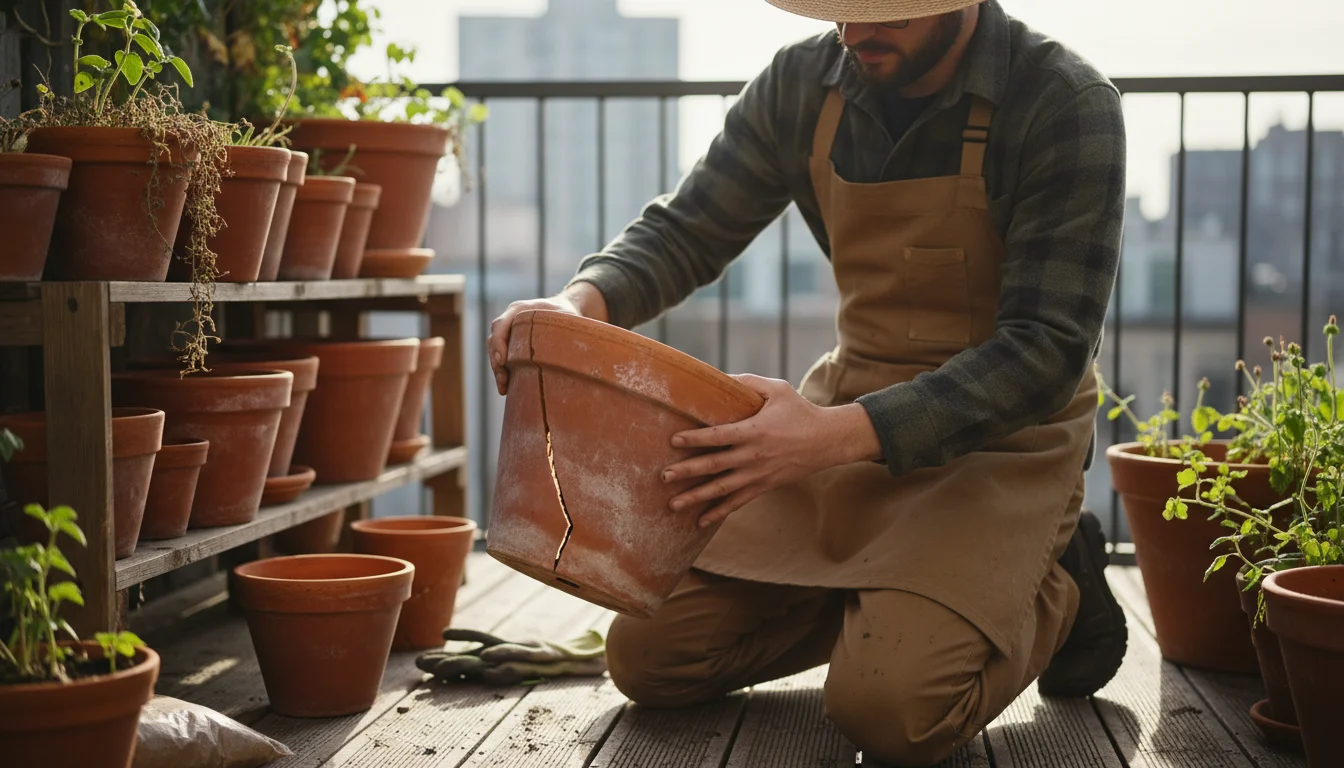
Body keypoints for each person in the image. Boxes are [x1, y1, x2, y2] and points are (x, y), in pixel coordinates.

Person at [486, 0, 1128, 763]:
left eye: (884, 15)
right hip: (843, 415)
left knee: (891, 715)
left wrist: (830, 438)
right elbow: (688, 228)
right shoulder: (804, 83)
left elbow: (1044, 352)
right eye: (840, 13)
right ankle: (891, 604)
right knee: (648, 659)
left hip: (1001, 442)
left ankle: (1056, 578)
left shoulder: (1063, 103)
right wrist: (576, 302)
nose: (854, 36)